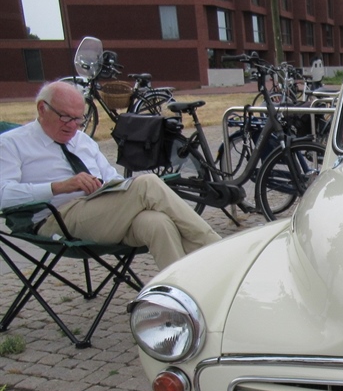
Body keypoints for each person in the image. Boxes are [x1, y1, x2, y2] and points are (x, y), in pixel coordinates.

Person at [0, 81, 221, 270]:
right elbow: (3, 195)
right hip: (55, 219)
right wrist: (59, 186)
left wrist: (113, 189)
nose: (73, 126)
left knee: (157, 223)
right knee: (147, 184)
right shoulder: (12, 143)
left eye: (79, 119)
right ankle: (219, 252)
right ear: (42, 108)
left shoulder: (83, 141)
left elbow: (113, 178)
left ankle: (185, 295)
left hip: (102, 212)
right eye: (66, 117)